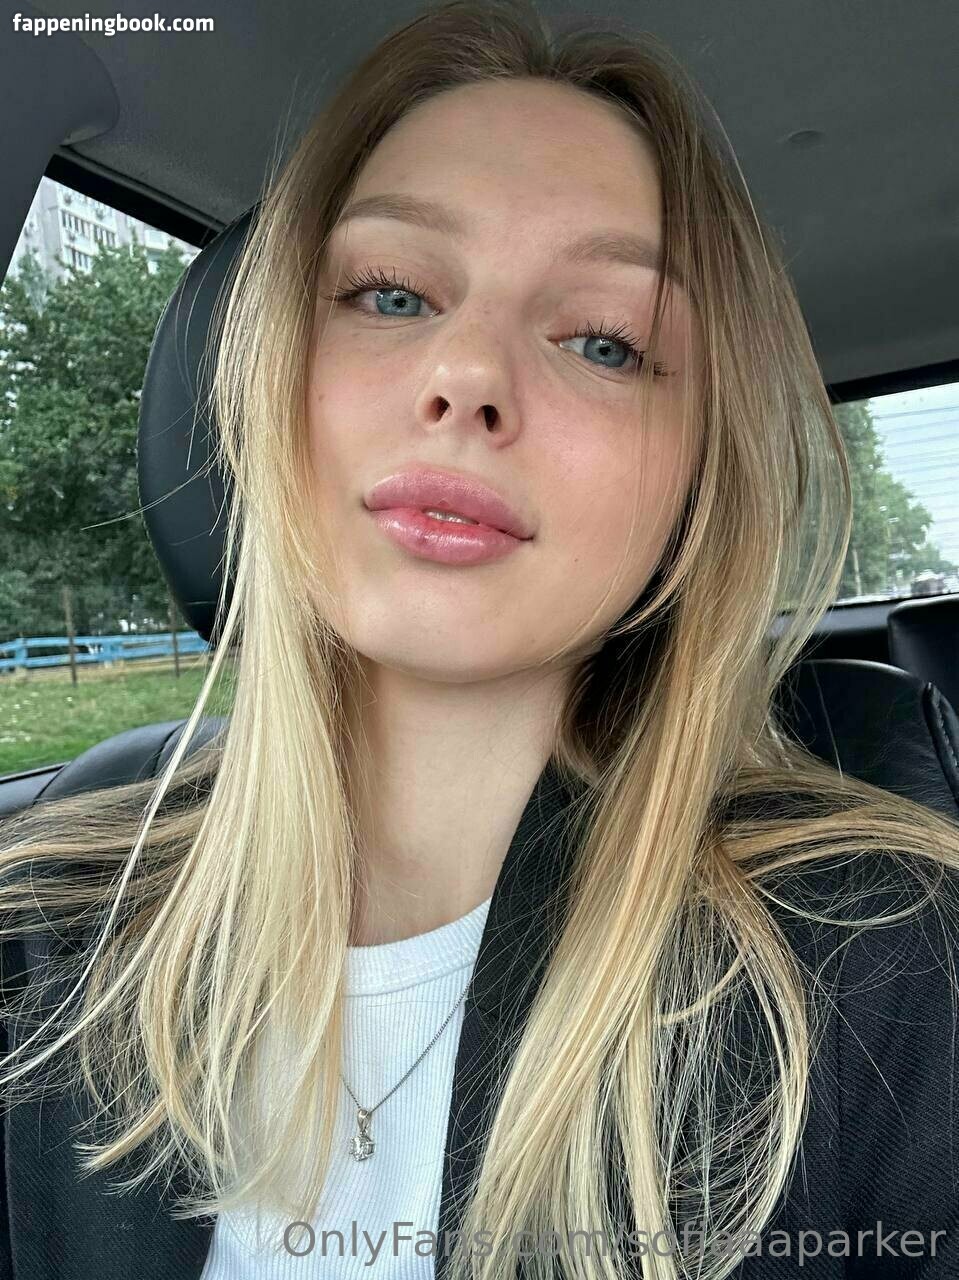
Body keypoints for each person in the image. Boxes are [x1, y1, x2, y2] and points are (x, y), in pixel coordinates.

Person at [2, 1, 959, 1277]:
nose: (465, 376)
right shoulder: (41, 924)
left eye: (605, 341)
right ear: (269, 382)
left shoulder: (891, 963)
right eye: (390, 292)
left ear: (695, 481)